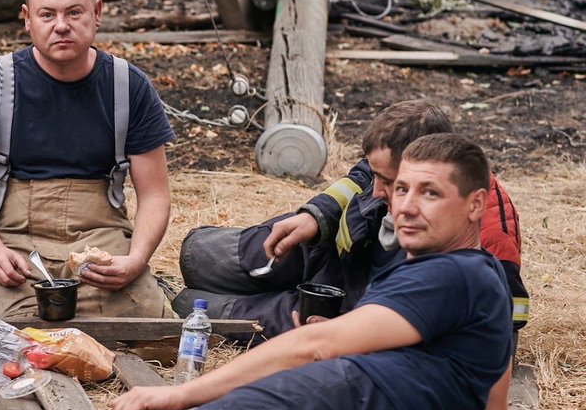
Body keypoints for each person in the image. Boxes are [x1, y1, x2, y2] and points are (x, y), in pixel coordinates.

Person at [33, 133, 513, 410]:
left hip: (358, 404)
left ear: (475, 204)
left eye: (430, 193)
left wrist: (181, 394)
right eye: (401, 188)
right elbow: (487, 400)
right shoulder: (456, 276)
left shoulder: (455, 272)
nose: (406, 205)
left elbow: (313, 348)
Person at [175, 100, 527, 338]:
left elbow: (498, 326)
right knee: (197, 255)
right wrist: (316, 215)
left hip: (344, 310)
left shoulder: (485, 238)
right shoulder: (391, 168)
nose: (378, 190)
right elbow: (363, 175)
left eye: (391, 183)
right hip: (326, 255)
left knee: (188, 307)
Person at [0, 0, 175, 319]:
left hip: (100, 236)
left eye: (74, 12)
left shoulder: (127, 85)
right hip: (14, 235)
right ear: (27, 19)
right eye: (47, 14)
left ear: (97, 13)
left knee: (147, 324)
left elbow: (155, 193)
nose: (62, 25)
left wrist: (135, 260)